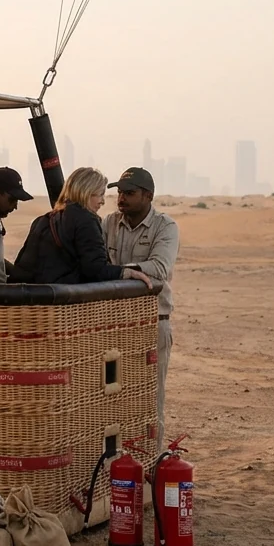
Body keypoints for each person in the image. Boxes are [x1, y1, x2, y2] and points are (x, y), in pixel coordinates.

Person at [103, 166, 180, 445]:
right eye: (119, 193)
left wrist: (117, 272)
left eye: (129, 193)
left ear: (148, 196)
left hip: (152, 324)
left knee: (149, 400)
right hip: (110, 326)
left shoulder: (165, 227)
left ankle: (150, 465)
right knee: (109, 401)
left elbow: (159, 268)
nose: (121, 199)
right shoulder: (109, 223)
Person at [11, 167, 153, 288]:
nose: (102, 201)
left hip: (32, 305)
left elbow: (23, 267)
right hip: (62, 306)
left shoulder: (44, 220)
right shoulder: (86, 220)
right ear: (86, 192)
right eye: (100, 194)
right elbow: (95, 269)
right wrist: (127, 272)